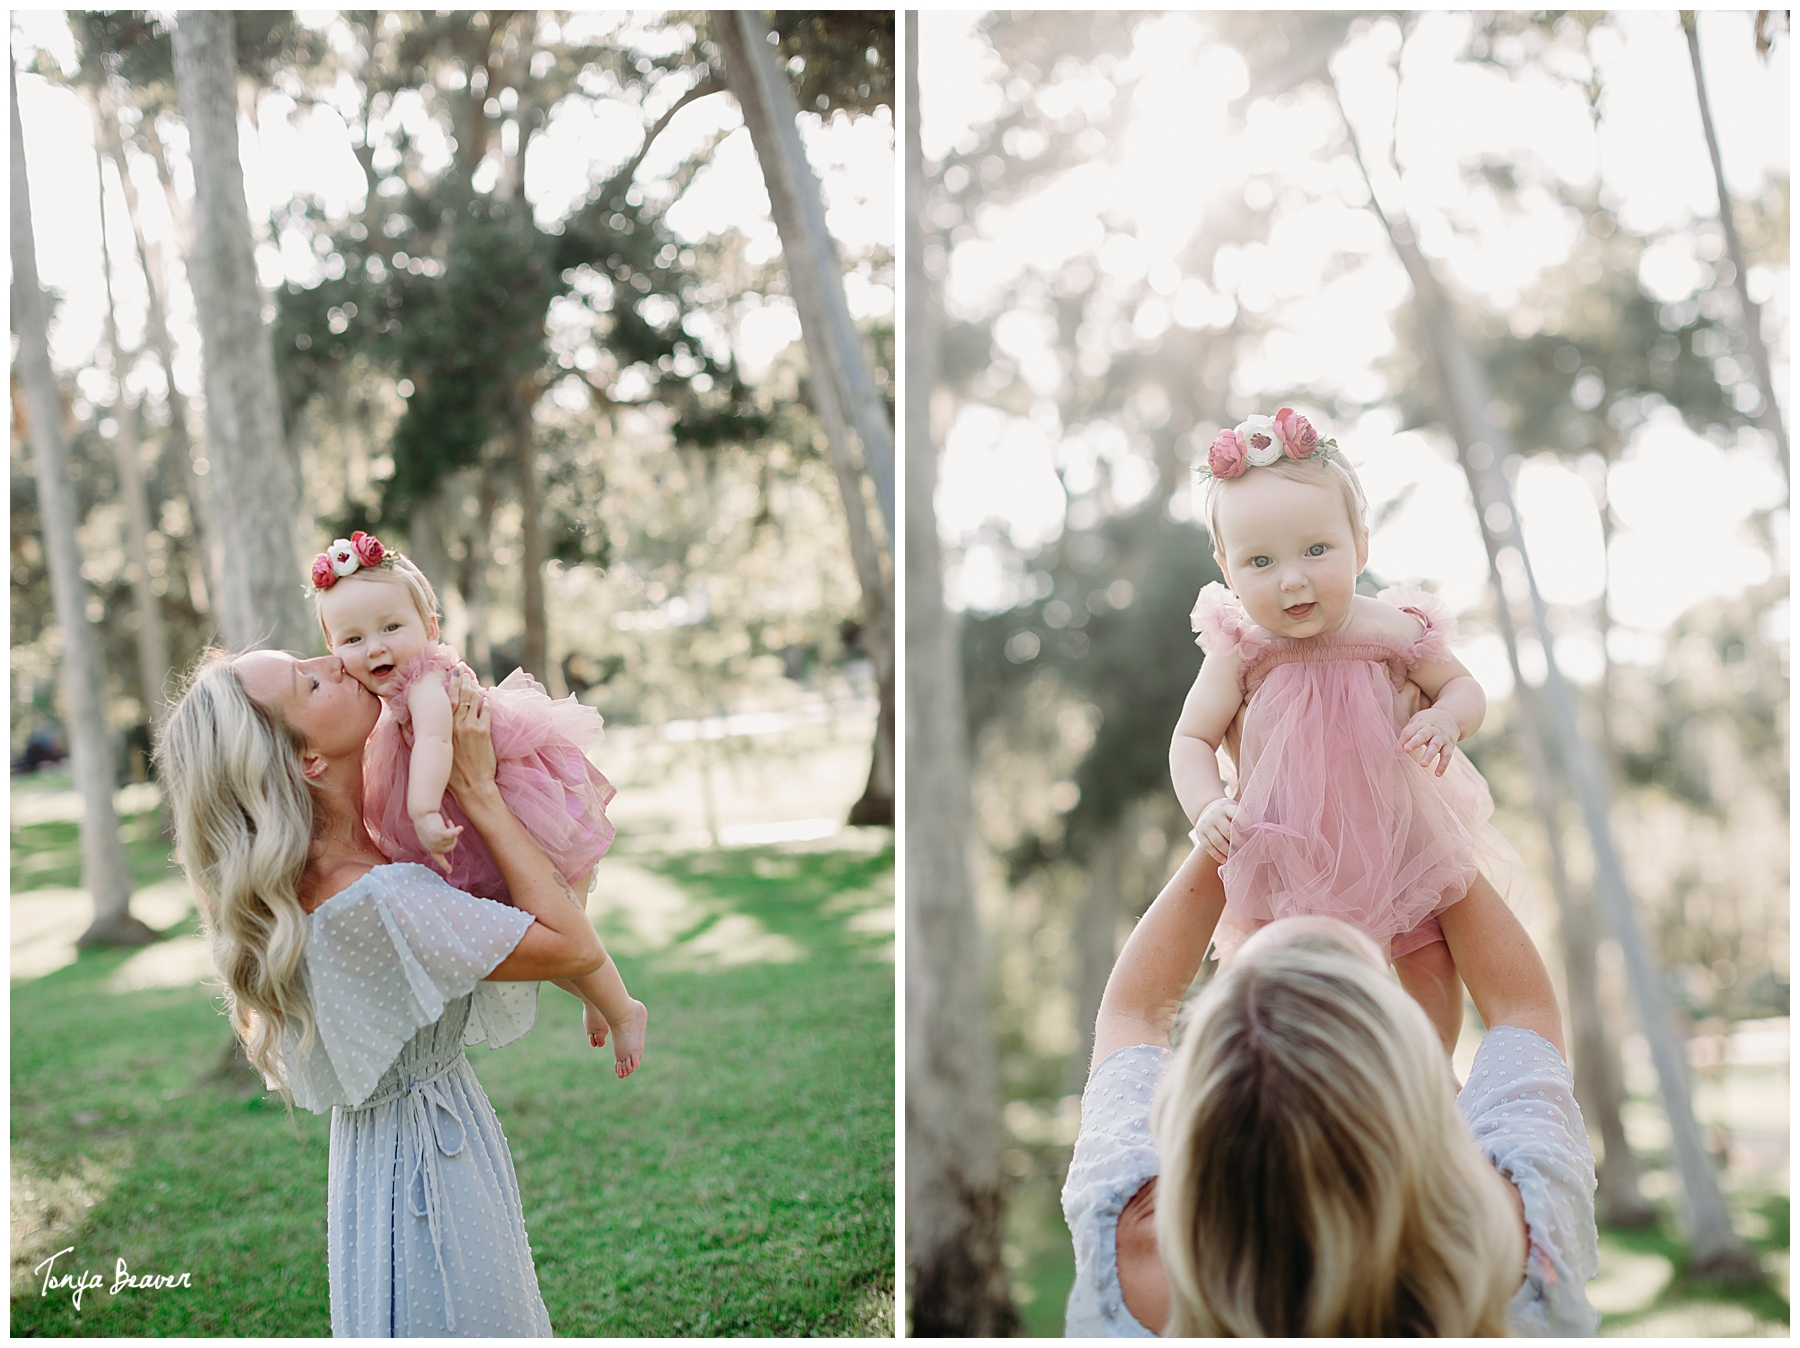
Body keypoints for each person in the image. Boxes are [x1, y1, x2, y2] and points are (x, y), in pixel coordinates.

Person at [155, 647, 637, 1335]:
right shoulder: (377, 897)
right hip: (429, 1177)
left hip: (379, 1160)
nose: (338, 660)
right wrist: (478, 791)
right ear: (307, 761)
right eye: (310, 680)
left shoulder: (336, 873)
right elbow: (576, 947)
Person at [1061, 845, 1599, 1336]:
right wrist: (1420, 814)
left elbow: (1132, 1012)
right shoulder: (1520, 1234)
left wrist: (1228, 828)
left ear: (1195, 1110)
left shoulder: (1128, 1250)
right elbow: (1521, 1009)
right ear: (1416, 1081)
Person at [1169, 408, 1530, 1050]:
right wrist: (1207, 804)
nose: (1293, 578)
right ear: (1226, 567)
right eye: (1260, 561)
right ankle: (1289, 1078)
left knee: (1430, 958)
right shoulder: (1241, 648)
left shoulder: (1393, 628)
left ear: (1360, 543)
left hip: (1396, 837)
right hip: (1284, 845)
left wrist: (1446, 718)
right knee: (1272, 970)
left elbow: (1463, 686)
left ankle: (1428, 1067)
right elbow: (1192, 738)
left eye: (1316, 549)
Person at [310, 531, 642, 1071]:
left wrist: (420, 810)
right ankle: (600, 1001)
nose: (374, 648)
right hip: (485, 815)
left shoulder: (425, 684)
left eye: (392, 627)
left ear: (431, 628)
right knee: (537, 930)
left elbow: (438, 743)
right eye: (352, 639)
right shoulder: (388, 699)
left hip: (520, 805)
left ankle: (624, 1009)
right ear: (333, 651)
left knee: (554, 925)